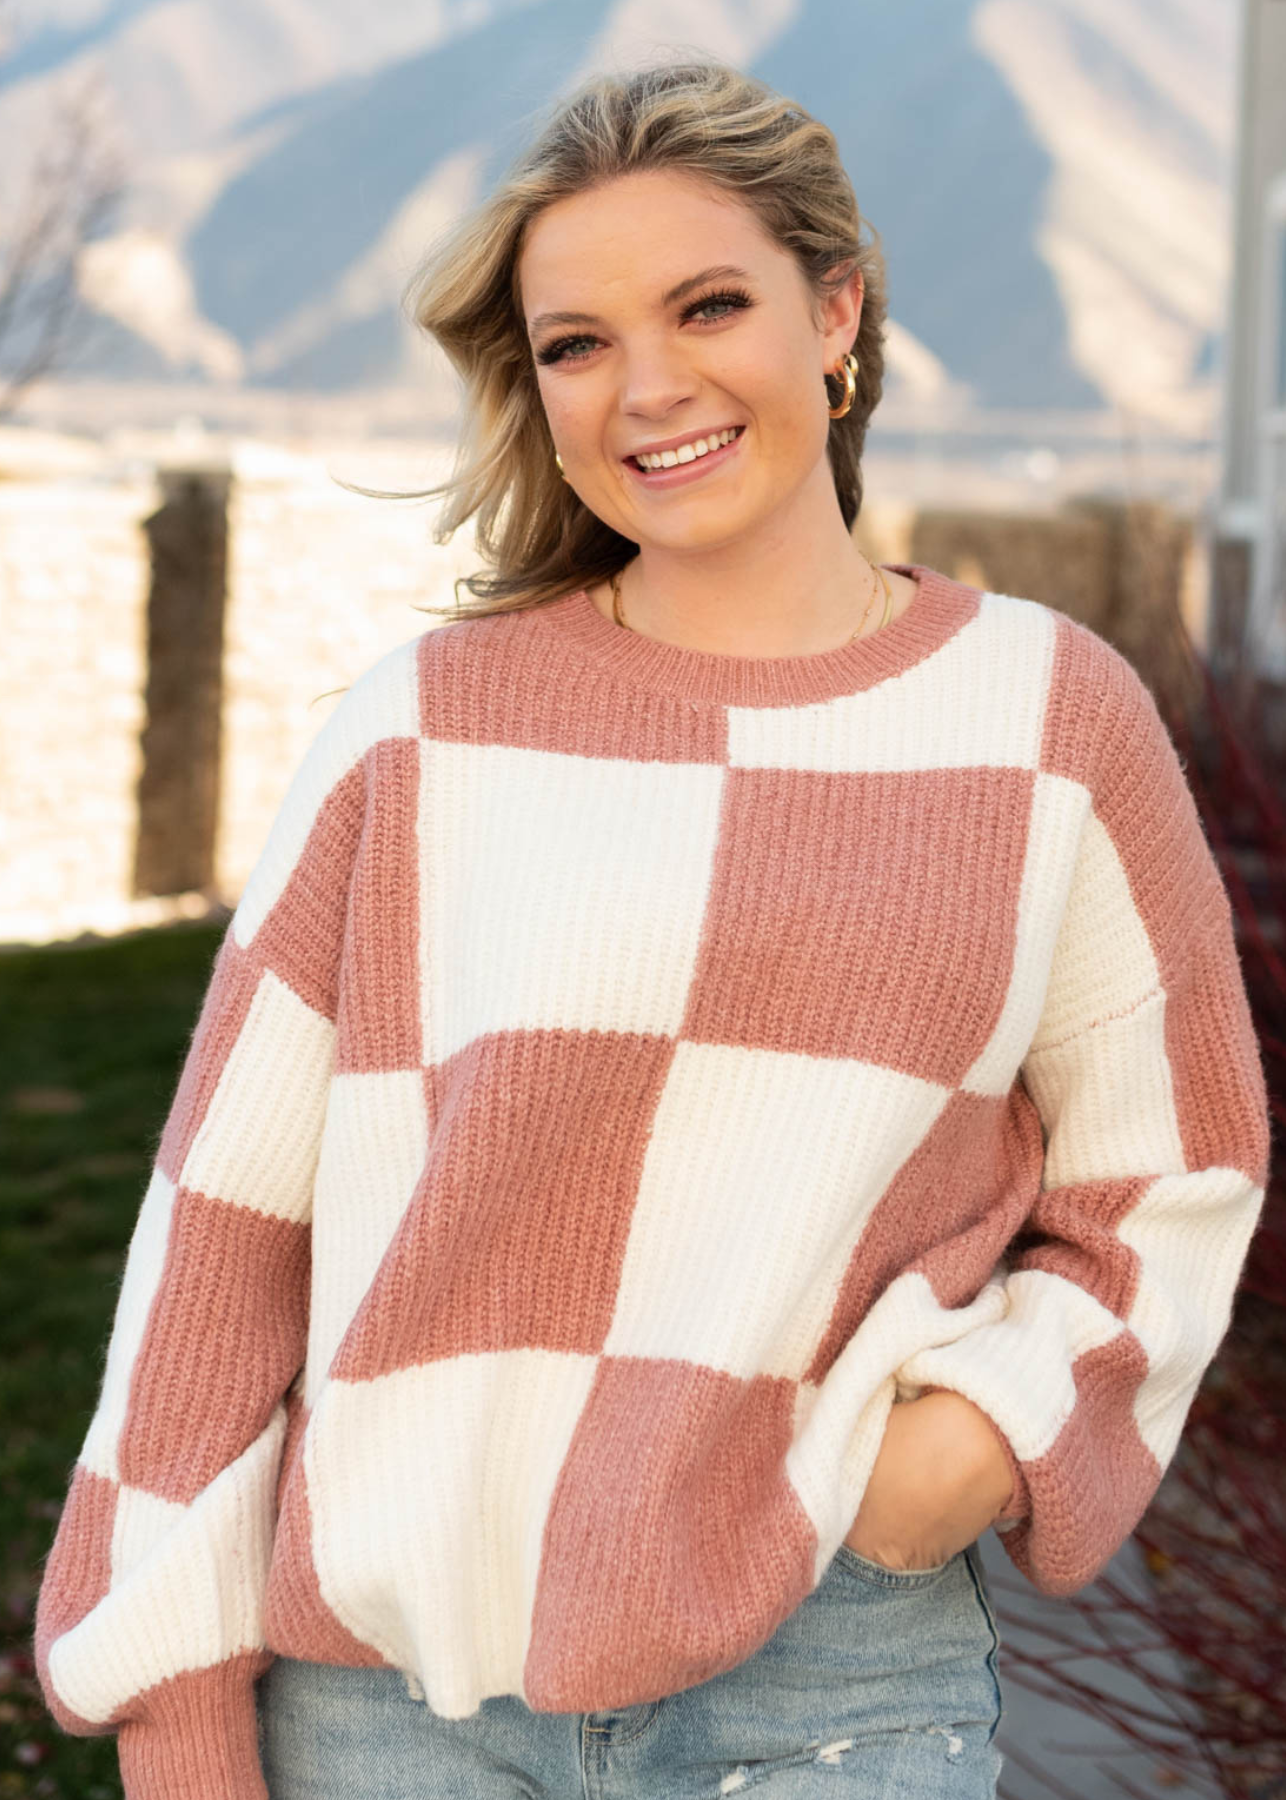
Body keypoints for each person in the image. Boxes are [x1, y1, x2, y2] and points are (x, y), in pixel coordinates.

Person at [33, 55, 1271, 1800]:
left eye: (709, 306)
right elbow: (223, 1248)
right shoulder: (417, 733)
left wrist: (981, 1436)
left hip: (830, 1670)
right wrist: (176, 1719)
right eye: (575, 343)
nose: (649, 386)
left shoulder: (1048, 718)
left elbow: (1170, 1172)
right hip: (394, 1703)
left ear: (834, 314)